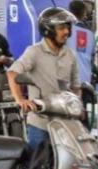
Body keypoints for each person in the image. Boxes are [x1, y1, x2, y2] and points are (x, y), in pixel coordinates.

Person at [8, 8, 80, 151]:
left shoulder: (70, 54)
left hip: (65, 123)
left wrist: (78, 106)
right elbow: (12, 73)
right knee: (36, 164)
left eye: (67, 27)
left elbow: (76, 87)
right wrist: (20, 99)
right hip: (40, 123)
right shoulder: (34, 52)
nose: (66, 32)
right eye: (61, 28)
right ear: (48, 30)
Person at [68, 0, 96, 86]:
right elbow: (93, 56)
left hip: (68, 80)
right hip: (85, 80)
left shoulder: (64, 31)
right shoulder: (90, 34)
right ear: (84, 12)